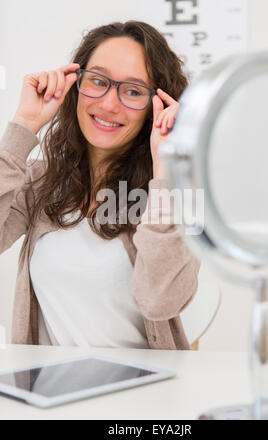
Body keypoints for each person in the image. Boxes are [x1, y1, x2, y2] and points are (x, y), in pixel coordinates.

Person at [0, 21, 200, 349]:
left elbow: (161, 302)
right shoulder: (41, 182)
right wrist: (24, 125)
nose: (109, 104)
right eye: (98, 81)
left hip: (146, 394)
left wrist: (167, 169)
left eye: (133, 91)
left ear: (155, 109)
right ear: (75, 85)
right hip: (52, 394)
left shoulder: (177, 196)